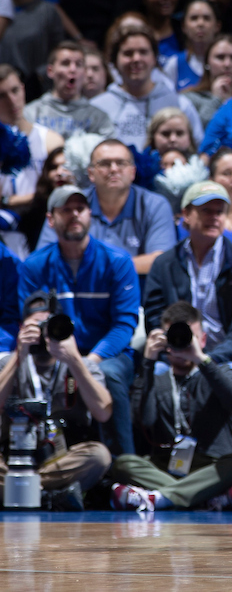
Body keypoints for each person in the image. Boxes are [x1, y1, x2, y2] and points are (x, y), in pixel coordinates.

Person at [20, 185, 140, 456]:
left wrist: (89, 360)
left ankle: (124, 463)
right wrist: (58, 354)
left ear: (90, 215)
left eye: (81, 208)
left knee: (109, 374)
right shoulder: (35, 266)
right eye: (66, 210)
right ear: (51, 219)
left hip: (108, 354)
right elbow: (29, 319)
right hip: (52, 351)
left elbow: (124, 324)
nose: (75, 214)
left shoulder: (117, 261)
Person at [109, 301, 232, 512]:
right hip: (167, 467)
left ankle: (161, 497)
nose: (181, 343)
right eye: (174, 336)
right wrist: (148, 362)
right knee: (123, 464)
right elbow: (144, 420)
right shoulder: (156, 380)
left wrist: (200, 359)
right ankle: (201, 497)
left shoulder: (220, 372)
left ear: (202, 340)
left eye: (188, 336)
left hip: (211, 469)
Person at [0, 292, 113, 509]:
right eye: (36, 326)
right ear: (22, 328)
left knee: (99, 456)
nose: (43, 334)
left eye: (48, 326)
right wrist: (18, 356)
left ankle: (23, 492)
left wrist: (74, 359)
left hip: (62, 459)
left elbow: (103, 412)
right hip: (14, 459)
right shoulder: (8, 363)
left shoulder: (82, 365)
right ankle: (50, 496)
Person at [142, 180, 232, 365]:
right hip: (175, 357)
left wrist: (208, 361)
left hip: (224, 360)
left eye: (219, 212)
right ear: (186, 214)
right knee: (158, 371)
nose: (214, 217)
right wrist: (178, 352)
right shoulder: (164, 264)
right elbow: (155, 318)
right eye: (206, 211)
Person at [36, 138, 176, 277]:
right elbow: (42, 260)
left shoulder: (155, 205)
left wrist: (101, 269)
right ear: (91, 173)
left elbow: (161, 260)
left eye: (121, 163)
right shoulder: (69, 204)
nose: (113, 169)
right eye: (105, 164)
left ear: (133, 172)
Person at [91, 23, 203, 148]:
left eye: (143, 52)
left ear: (154, 58)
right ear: (115, 61)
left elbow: (197, 148)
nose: (136, 59)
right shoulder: (97, 107)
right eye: (128, 53)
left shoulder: (180, 104)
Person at [0, 64, 63, 209]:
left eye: (15, 90)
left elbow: (58, 190)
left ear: (23, 89)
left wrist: (10, 201)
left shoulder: (50, 140)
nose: (12, 100)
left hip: (42, 216)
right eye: (2, 96)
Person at [24, 41, 115, 137]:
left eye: (78, 64)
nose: (72, 69)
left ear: (84, 72)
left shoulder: (99, 118)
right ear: (50, 71)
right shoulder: (31, 113)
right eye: (65, 63)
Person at [181, 34, 232, 129]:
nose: (227, 64)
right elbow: (197, 132)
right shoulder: (190, 99)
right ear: (207, 63)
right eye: (220, 57)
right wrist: (216, 99)